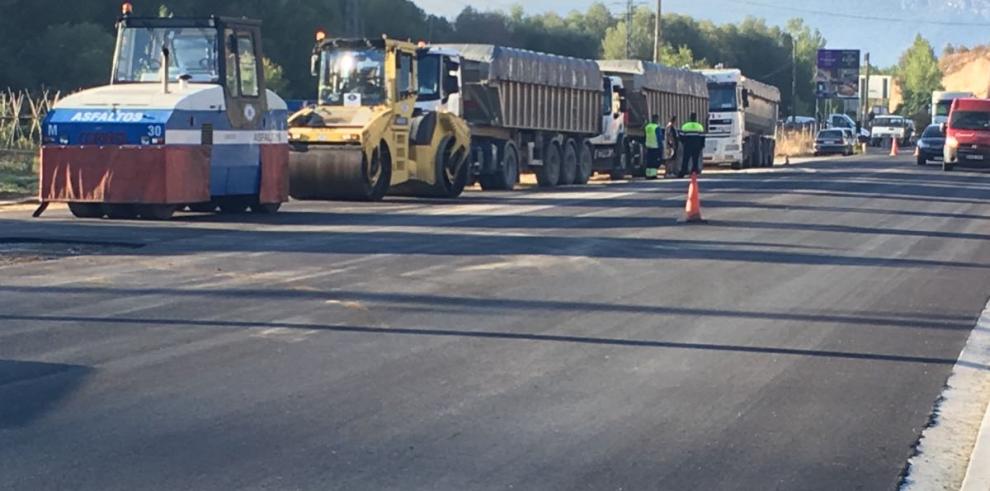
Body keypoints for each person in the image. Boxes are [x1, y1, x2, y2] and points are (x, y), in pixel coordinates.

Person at [679, 112, 706, 178]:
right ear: (696, 118)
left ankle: (683, 172)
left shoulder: (685, 126)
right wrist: (702, 145)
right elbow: (702, 137)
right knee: (695, 160)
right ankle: (694, 172)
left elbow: (681, 136)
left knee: (685, 159)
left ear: (690, 118)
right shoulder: (699, 126)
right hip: (697, 146)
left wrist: (684, 143)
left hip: (688, 145)